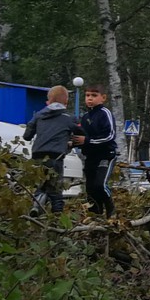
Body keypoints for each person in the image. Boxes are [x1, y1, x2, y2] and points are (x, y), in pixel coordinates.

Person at [23, 85, 77, 215]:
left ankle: (36, 205)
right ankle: (57, 219)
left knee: (40, 185)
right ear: (66, 101)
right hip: (56, 157)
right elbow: (81, 135)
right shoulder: (69, 118)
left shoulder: (38, 115)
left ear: (48, 100)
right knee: (55, 190)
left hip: (37, 155)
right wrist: (70, 143)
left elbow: (27, 136)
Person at [73, 83, 118, 218]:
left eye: (94, 95)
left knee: (100, 185)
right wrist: (74, 142)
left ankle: (111, 209)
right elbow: (83, 137)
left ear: (103, 98)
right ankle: (95, 216)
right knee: (90, 190)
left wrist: (87, 141)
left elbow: (110, 135)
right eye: (87, 95)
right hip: (90, 157)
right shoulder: (85, 117)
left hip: (106, 155)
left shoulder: (105, 113)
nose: (90, 98)